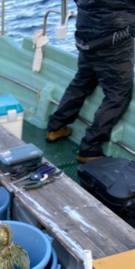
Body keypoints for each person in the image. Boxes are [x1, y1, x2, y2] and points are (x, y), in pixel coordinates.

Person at [46, 0, 135, 164]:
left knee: (81, 82)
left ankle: (55, 127)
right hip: (114, 43)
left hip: (86, 36)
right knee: (118, 94)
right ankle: (89, 148)